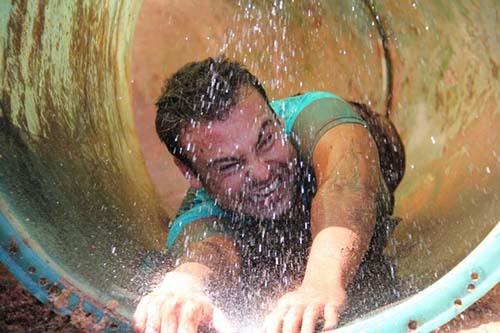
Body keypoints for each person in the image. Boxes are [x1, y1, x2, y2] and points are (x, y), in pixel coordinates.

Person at [133, 56, 405, 333]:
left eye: (265, 141)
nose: (261, 173)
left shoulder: (313, 119)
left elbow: (347, 185)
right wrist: (183, 287)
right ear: (190, 174)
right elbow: (209, 253)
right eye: (229, 165)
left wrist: (320, 283)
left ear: (277, 116)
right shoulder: (198, 211)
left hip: (362, 146)